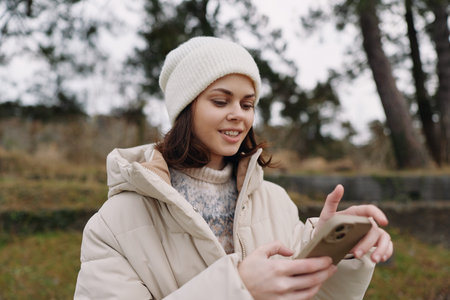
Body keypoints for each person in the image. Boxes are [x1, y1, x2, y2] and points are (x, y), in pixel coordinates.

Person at [74, 36, 393, 300]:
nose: (238, 115)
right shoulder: (113, 225)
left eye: (247, 104)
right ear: (186, 108)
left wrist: (337, 251)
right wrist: (237, 287)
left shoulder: (275, 200)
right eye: (220, 101)